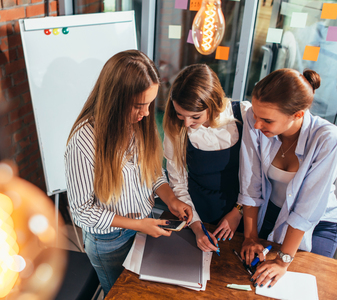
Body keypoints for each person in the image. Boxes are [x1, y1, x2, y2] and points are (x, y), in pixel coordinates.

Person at [64, 50, 193, 295]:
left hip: (143, 227)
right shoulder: (84, 141)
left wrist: (172, 199)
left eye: (150, 104)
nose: (146, 114)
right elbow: (82, 212)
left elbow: (153, 172)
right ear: (115, 99)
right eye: (139, 106)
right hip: (110, 242)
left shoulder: (139, 124)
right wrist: (138, 224)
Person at [238, 68, 337, 288]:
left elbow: (308, 206)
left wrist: (283, 260)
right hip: (272, 211)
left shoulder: (328, 140)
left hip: (316, 224)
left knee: (301, 287)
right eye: (256, 115)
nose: (257, 125)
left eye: (267, 120)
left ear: (298, 114)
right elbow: (251, 182)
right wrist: (250, 237)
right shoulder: (254, 118)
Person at [163, 64, 251, 253]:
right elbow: (178, 183)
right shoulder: (176, 127)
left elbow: (257, 175)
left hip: (244, 215)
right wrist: (196, 226)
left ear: (213, 104)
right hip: (197, 213)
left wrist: (239, 211)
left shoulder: (244, 114)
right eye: (180, 114)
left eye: (195, 116)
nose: (186, 123)